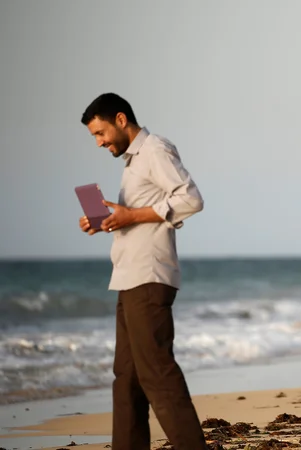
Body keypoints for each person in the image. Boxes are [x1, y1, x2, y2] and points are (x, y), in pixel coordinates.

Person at [78, 93, 207, 450]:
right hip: (128, 277)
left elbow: (191, 199)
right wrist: (105, 221)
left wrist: (131, 215)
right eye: (94, 137)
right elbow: (139, 214)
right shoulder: (133, 163)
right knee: (127, 379)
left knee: (156, 374)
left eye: (100, 133)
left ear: (121, 120)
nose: (100, 142)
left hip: (148, 278)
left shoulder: (155, 150)